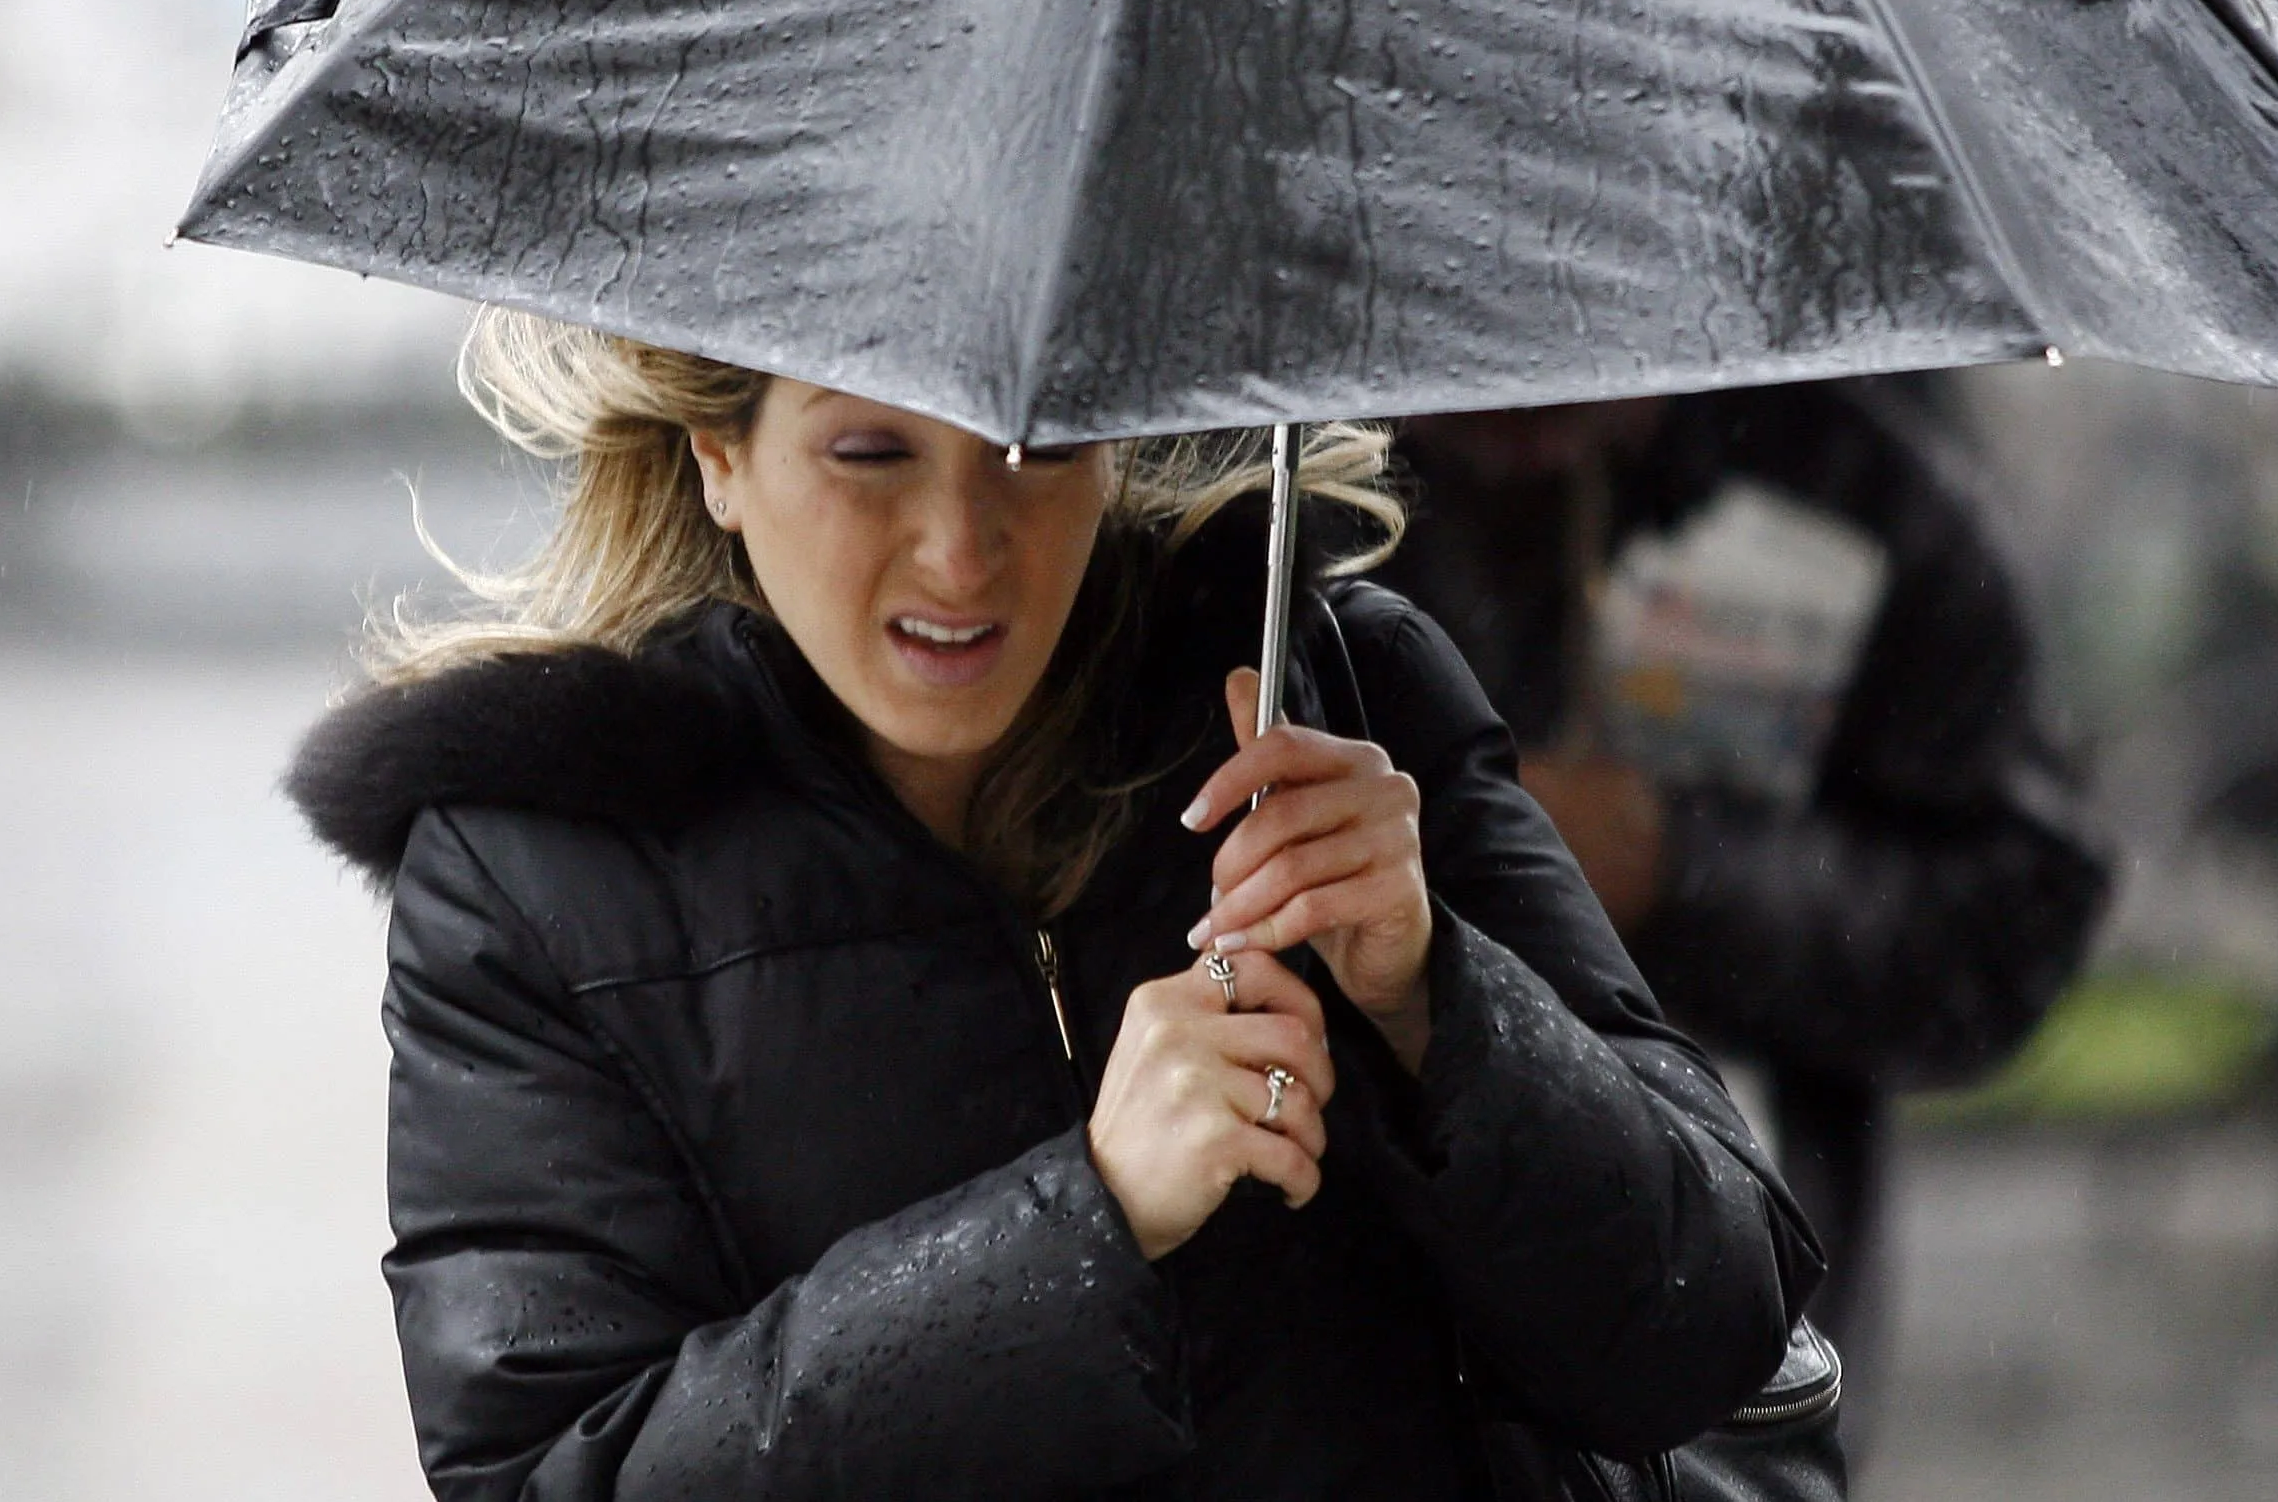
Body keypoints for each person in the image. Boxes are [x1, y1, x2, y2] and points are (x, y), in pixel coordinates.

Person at [283, 315, 1825, 1500]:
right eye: (870, 451)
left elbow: (1710, 1329)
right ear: (720, 455)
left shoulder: (1334, 697)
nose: (964, 548)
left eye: (1038, 444)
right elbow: (560, 1471)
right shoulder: (538, 873)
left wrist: (1436, 995)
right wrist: (1083, 1223)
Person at [1378, 380, 2107, 1404]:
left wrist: (1679, 868)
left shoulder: (1838, 487)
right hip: (1366, 1317)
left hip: (1737, 1310)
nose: (1518, 430)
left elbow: (2011, 920)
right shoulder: (1276, 500)